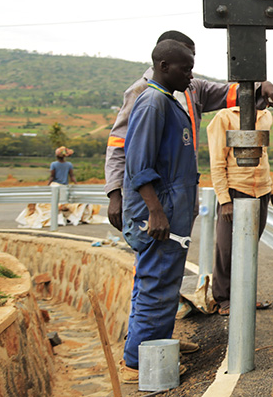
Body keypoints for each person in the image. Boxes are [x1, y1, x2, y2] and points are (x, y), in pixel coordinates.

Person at [104, 30, 273, 231]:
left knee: (175, 250)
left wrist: (261, 86)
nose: (190, 72)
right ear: (165, 62)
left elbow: (231, 93)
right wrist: (115, 192)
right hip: (152, 194)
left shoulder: (192, 88)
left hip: (182, 191)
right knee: (152, 250)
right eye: (184, 64)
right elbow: (119, 144)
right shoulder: (143, 94)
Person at [118, 40, 199, 383]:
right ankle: (142, 364)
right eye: (185, 68)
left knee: (160, 282)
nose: (190, 76)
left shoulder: (167, 100)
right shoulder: (153, 103)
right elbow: (139, 164)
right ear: (164, 66)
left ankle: (156, 347)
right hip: (159, 216)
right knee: (157, 285)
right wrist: (155, 211)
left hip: (168, 213)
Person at [207, 106, 273, 315]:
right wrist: (224, 200)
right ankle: (224, 299)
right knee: (227, 249)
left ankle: (245, 296)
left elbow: (263, 157)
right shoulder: (224, 117)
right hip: (235, 191)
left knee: (249, 249)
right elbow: (217, 161)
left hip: (261, 192)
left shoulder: (266, 116)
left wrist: (272, 191)